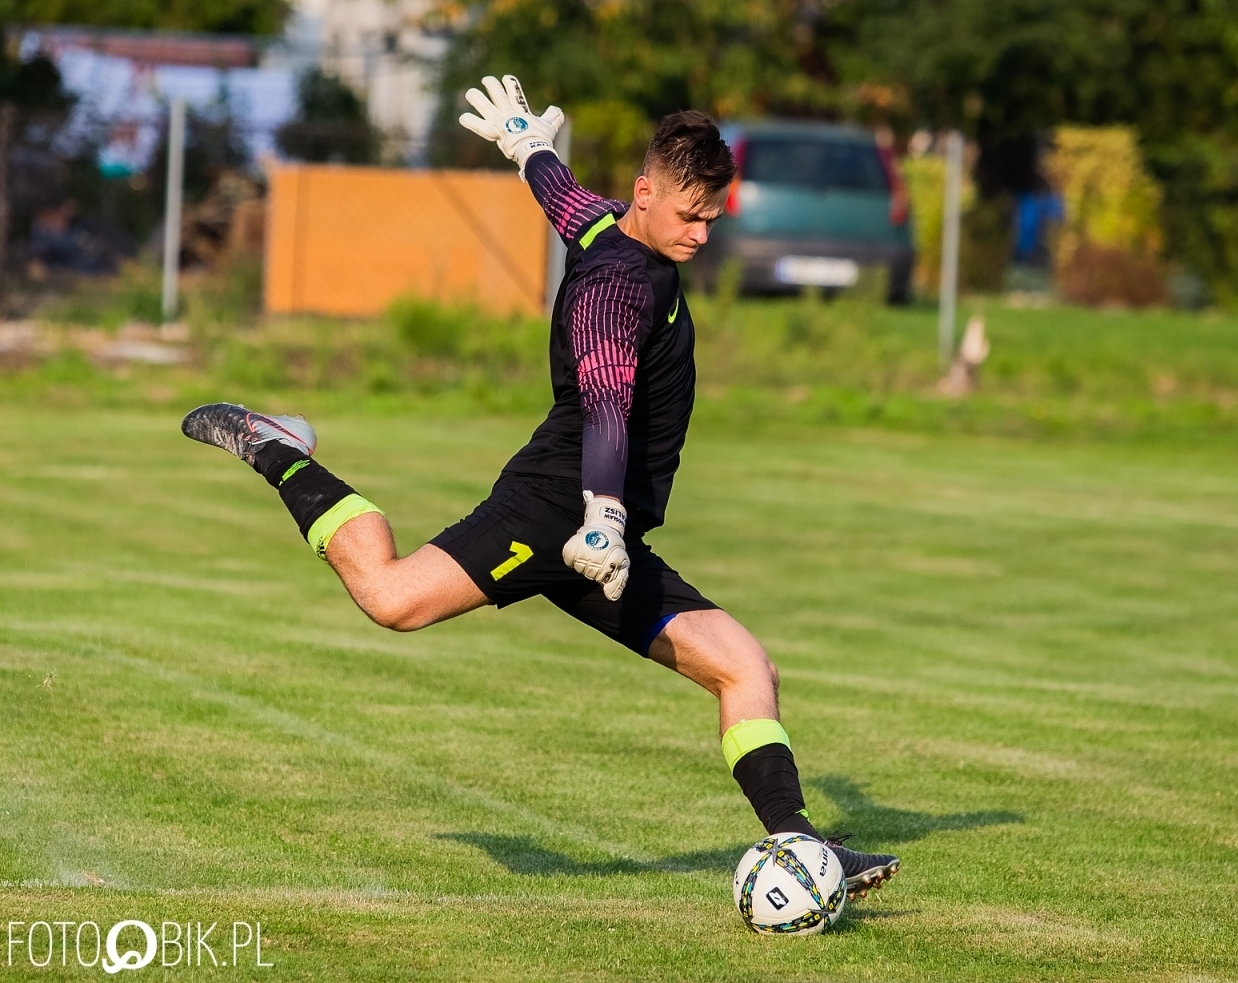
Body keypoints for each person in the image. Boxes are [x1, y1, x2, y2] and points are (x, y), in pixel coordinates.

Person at [180, 76, 900, 897]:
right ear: (646, 192)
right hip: (555, 509)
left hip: (608, 539)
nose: (703, 232)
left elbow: (563, 201)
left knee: (745, 667)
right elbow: (605, 407)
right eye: (690, 214)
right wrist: (600, 515)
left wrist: (530, 148)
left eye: (712, 215)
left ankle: (804, 849)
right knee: (390, 598)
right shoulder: (615, 286)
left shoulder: (609, 226)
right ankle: (279, 450)